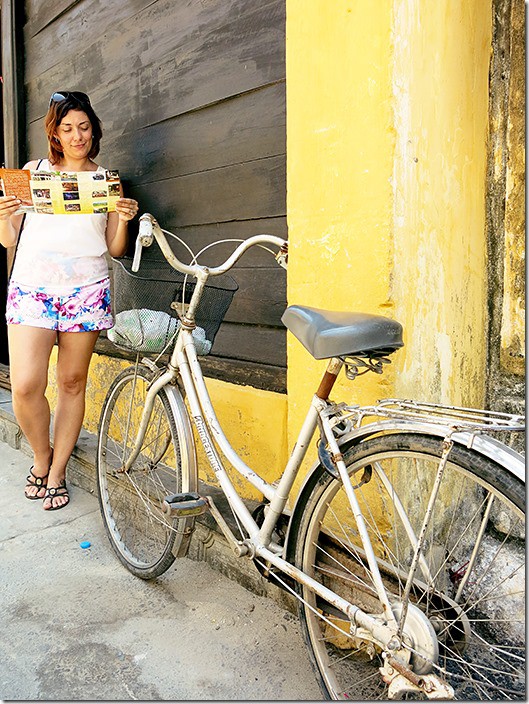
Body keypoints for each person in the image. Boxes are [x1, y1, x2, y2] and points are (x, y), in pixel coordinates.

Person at [0, 90, 139, 510]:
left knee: (72, 383)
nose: (77, 136)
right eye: (67, 128)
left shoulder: (106, 180)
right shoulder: (32, 172)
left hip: (86, 290)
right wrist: (4, 215)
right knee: (25, 386)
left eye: (83, 127)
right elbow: (8, 239)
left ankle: (57, 471)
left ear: (93, 130)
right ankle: (40, 457)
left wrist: (124, 218)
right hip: (32, 289)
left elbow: (115, 249)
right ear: (55, 134)